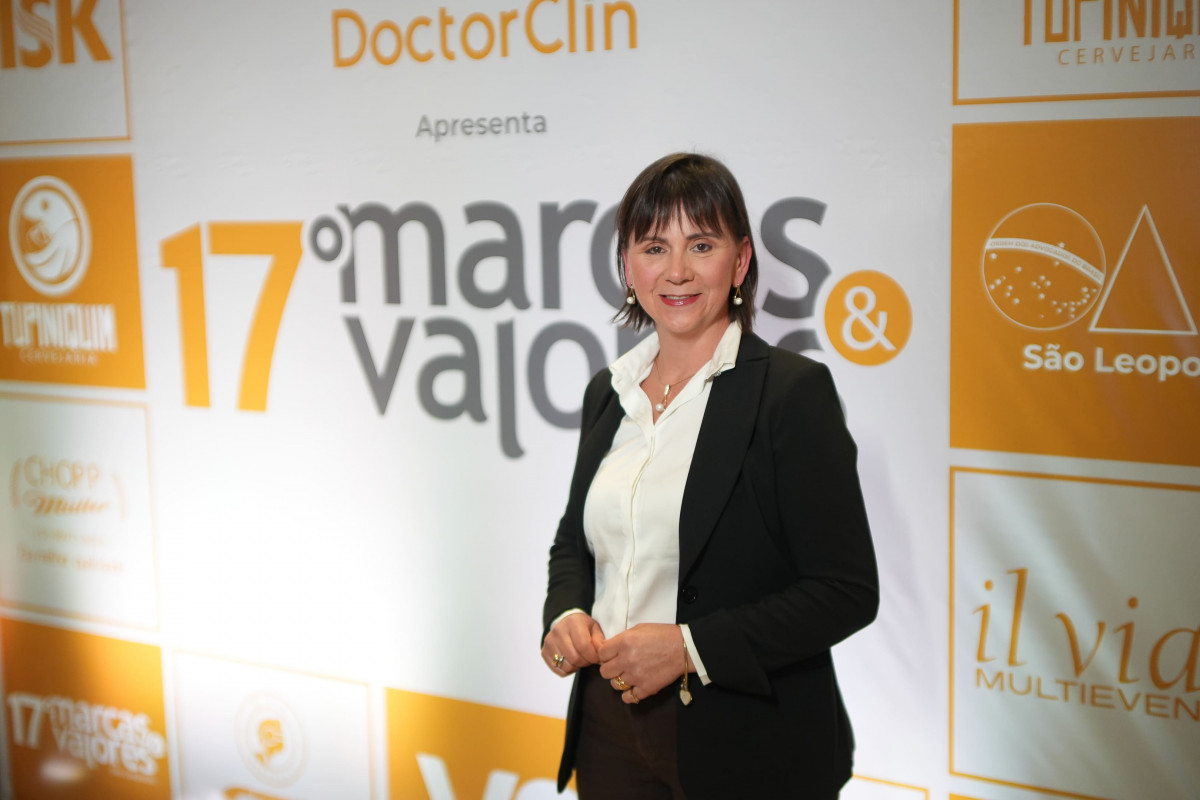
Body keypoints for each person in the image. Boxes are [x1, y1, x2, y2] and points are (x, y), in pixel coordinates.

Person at [541, 152, 878, 799]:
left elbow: (846, 590)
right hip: (608, 726)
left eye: (701, 245)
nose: (677, 271)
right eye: (653, 247)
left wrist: (690, 648)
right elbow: (573, 542)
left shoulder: (790, 394)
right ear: (627, 266)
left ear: (740, 261)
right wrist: (567, 612)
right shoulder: (608, 391)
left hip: (749, 739)